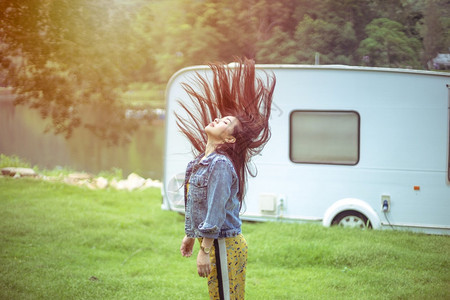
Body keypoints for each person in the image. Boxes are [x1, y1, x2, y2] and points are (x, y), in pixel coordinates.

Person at [177, 58, 276, 300]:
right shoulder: (199, 162)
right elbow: (198, 204)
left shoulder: (220, 164)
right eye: (221, 118)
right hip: (218, 243)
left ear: (230, 139)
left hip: (225, 245)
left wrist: (204, 249)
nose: (217, 120)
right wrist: (190, 234)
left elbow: (216, 209)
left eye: (225, 123)